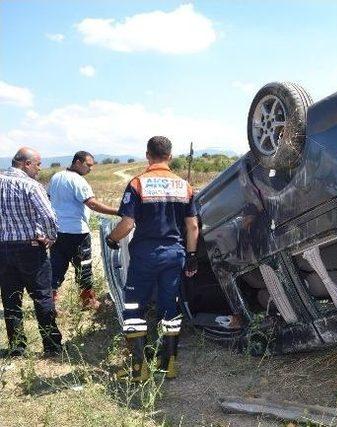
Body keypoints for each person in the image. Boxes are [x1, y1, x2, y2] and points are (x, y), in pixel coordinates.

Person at [106, 136, 198, 381]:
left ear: (148, 154)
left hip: (146, 255)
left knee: (134, 307)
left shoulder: (138, 184)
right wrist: (191, 256)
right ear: (169, 156)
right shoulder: (184, 186)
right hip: (174, 255)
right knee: (170, 308)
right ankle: (169, 365)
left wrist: (112, 239)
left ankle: (139, 370)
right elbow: (193, 227)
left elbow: (127, 223)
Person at [0, 147, 63, 357]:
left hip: (3, 248)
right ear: (26, 164)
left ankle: (17, 347)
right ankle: (52, 346)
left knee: (11, 299)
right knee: (42, 297)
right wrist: (51, 237)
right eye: (37, 164)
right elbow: (48, 217)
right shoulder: (30, 185)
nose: (39, 168)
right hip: (30, 247)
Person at [48, 151, 118, 309]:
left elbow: (48, 199)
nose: (90, 169)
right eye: (89, 165)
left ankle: (50, 303)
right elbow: (92, 204)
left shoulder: (56, 177)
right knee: (84, 266)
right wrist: (119, 211)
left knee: (56, 266)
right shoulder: (78, 180)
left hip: (57, 231)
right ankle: (88, 302)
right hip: (77, 232)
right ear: (78, 162)